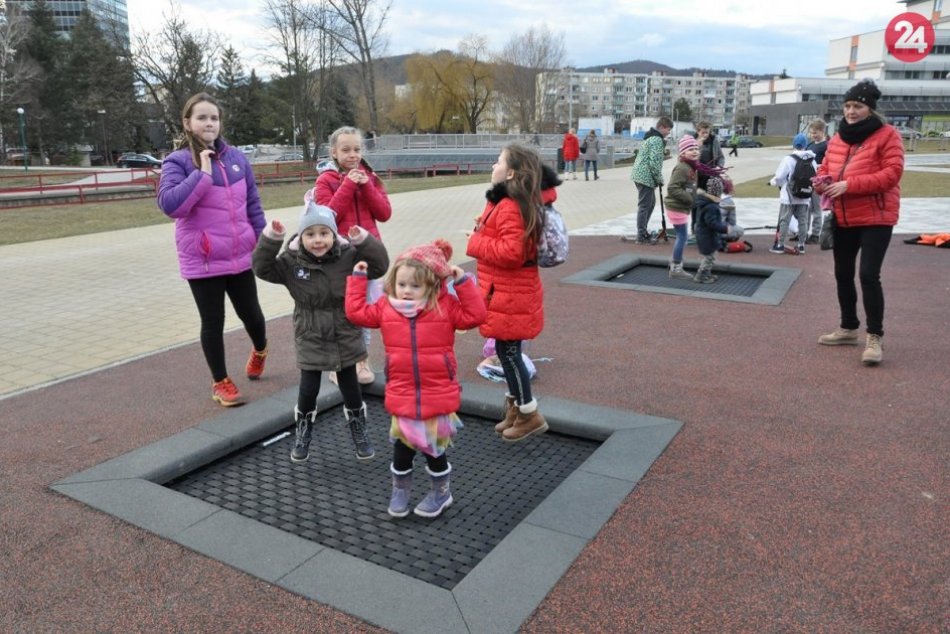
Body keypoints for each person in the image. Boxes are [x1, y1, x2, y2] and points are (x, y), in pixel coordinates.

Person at [345, 240, 486, 518]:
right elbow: (356, 312)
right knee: (402, 448)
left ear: (432, 286)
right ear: (393, 284)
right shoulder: (386, 308)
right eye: (402, 284)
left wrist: (463, 283)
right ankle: (400, 491)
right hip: (403, 392)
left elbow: (476, 315)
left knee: (434, 449)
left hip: (436, 391)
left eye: (415, 286)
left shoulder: (444, 307)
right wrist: (358, 280)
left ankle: (441, 492)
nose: (407, 291)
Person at [252, 202, 389, 462]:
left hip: (344, 330)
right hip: (310, 332)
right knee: (308, 389)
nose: (318, 240)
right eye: (310, 234)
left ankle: (359, 430)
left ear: (334, 235)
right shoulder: (291, 262)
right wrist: (271, 239)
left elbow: (380, 266)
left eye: (324, 233)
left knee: (351, 387)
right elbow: (262, 268)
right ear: (301, 237)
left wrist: (363, 240)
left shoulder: (348, 256)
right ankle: (303, 432)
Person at [157, 92, 268, 408]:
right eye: (202, 117)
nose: (209, 123)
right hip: (203, 260)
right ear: (187, 122)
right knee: (212, 321)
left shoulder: (236, 159)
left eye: (214, 118)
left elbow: (253, 205)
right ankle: (221, 382)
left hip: (241, 255)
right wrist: (202, 175)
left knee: (253, 316)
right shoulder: (177, 162)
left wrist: (263, 244)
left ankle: (260, 349)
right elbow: (171, 206)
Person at [814, 79, 903, 366]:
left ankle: (874, 336)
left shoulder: (888, 135)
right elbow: (827, 167)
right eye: (848, 105)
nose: (851, 111)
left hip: (876, 216)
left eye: (858, 106)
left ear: (870, 109)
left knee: (868, 275)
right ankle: (848, 327)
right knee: (842, 273)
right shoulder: (838, 136)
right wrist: (821, 182)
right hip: (845, 215)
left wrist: (849, 185)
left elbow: (892, 174)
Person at [466, 142, 548, 442]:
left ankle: (529, 412)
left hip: (511, 295)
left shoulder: (511, 205)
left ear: (511, 172)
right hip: (503, 293)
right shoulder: (504, 202)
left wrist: (475, 243)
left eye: (498, 162)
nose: (493, 166)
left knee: (511, 354)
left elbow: (512, 252)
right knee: (504, 351)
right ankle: (515, 407)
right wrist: (484, 230)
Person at [312, 126, 393, 384]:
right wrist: (347, 185)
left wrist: (367, 185)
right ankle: (340, 365)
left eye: (357, 149)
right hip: (338, 255)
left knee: (365, 310)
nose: (352, 154)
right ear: (334, 152)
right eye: (346, 150)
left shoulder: (370, 177)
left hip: (368, 253)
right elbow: (327, 217)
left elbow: (384, 213)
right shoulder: (325, 181)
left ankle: (361, 360)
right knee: (342, 311)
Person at [768, 133, 816, 255]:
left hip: (789, 196)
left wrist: (772, 182)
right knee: (803, 221)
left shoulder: (789, 159)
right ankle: (801, 245)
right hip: (805, 196)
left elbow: (779, 177)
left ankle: (780, 244)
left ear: (794, 144)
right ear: (806, 144)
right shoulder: (812, 160)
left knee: (785, 219)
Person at [631, 116, 674, 243]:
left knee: (650, 204)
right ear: (661, 127)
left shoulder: (651, 137)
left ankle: (643, 231)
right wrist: (659, 179)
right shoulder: (656, 140)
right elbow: (654, 163)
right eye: (668, 129)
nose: (668, 133)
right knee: (645, 206)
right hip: (645, 176)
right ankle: (641, 235)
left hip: (642, 175)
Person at [665, 136, 700, 280]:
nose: (695, 151)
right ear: (683, 153)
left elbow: (689, 186)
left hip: (681, 206)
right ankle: (676, 267)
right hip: (676, 206)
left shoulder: (691, 167)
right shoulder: (682, 168)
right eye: (691, 149)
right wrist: (690, 198)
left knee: (682, 236)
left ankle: (674, 260)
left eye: (696, 149)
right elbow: (672, 188)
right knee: (683, 237)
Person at [693, 177, 735, 283]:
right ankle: (701, 275)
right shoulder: (711, 206)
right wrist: (725, 228)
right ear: (718, 192)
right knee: (709, 257)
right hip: (706, 236)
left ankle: (706, 273)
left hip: (706, 235)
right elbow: (712, 223)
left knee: (711, 256)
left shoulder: (707, 203)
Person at [805, 119, 829, 244]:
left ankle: (815, 234)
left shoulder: (827, 146)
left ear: (822, 131)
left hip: (818, 181)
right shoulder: (809, 145)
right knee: (806, 208)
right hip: (807, 180)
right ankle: (803, 232)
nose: (813, 135)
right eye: (812, 133)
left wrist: (818, 166)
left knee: (816, 209)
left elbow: (829, 163)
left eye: (816, 132)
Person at [694, 121, 725, 191]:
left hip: (711, 173)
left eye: (707, 133)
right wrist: (698, 146)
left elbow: (721, 157)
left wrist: (719, 167)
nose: (705, 135)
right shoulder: (692, 141)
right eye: (703, 133)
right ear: (698, 132)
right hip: (697, 175)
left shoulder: (714, 141)